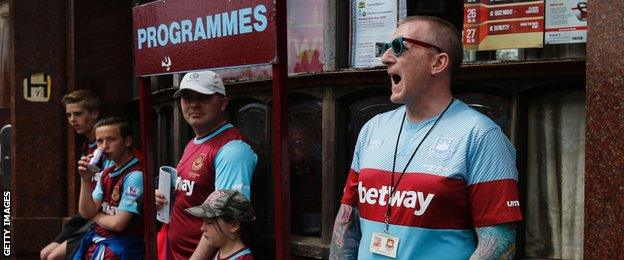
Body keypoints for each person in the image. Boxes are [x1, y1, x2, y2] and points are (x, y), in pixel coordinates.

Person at [329, 15, 522, 259]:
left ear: (438, 62)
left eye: (399, 47)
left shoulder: (481, 135)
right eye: (387, 48)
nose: (386, 58)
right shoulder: (372, 129)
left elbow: (499, 244)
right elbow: (347, 222)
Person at [155, 70, 258, 260]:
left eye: (203, 97)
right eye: (187, 98)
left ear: (223, 103)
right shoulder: (193, 143)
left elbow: (226, 218)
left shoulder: (233, 150)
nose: (194, 104)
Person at [41, 90, 103, 260]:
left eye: (78, 114)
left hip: (102, 216)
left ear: (94, 113)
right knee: (45, 253)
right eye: (69, 115)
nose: (72, 120)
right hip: (85, 214)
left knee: (53, 257)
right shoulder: (86, 145)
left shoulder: (106, 147)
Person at [73, 117, 145, 259]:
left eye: (111, 139)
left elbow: (118, 223)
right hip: (99, 242)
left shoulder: (135, 174)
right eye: (100, 141)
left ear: (127, 141)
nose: (104, 146)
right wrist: (85, 179)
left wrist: (95, 215)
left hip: (121, 249)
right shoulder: (106, 171)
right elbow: (86, 212)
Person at [185, 189, 255, 260]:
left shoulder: (244, 258)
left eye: (209, 222)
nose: (202, 228)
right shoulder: (219, 255)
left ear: (234, 225)